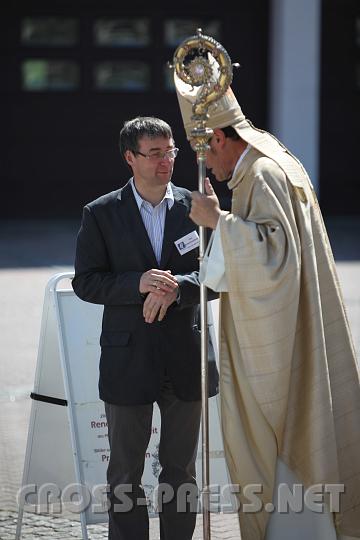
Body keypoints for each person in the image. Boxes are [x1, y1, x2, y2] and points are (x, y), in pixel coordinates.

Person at [174, 70, 360, 540]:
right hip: (298, 323)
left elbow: (275, 258)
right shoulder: (273, 159)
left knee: (282, 448)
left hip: (280, 343)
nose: (206, 167)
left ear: (217, 136)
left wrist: (218, 221)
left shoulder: (261, 173)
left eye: (203, 153)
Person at [72, 116, 218, 540]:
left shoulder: (197, 206)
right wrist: (137, 283)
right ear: (130, 158)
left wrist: (180, 289)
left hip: (186, 359)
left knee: (181, 472)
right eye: (154, 154)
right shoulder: (100, 213)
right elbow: (86, 282)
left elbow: (221, 275)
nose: (165, 161)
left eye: (170, 152)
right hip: (127, 358)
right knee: (124, 476)